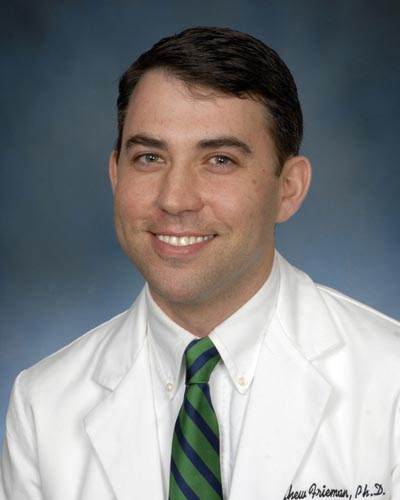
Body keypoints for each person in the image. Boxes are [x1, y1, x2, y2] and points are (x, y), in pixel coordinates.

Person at [1, 27, 399, 500]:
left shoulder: (389, 381)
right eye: (150, 157)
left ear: (288, 188)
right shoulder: (43, 405)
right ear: (115, 175)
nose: (174, 199)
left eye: (219, 160)